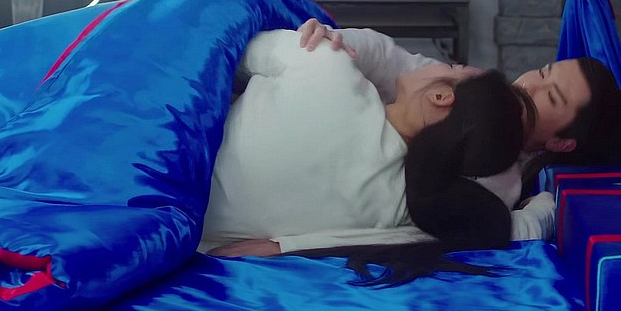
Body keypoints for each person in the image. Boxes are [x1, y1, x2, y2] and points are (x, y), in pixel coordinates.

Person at [199, 29, 544, 284]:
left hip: (177, 157)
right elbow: (504, 225)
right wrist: (286, 246)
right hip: (194, 232)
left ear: (441, 96)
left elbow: (222, 50)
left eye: (453, 66)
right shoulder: (403, 210)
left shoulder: (325, 63)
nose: (435, 64)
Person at [294, 19, 621, 197]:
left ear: (561, 142)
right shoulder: (470, 85)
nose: (529, 84)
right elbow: (390, 60)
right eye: (543, 72)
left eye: (551, 97)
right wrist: (337, 41)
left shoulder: (499, 180)